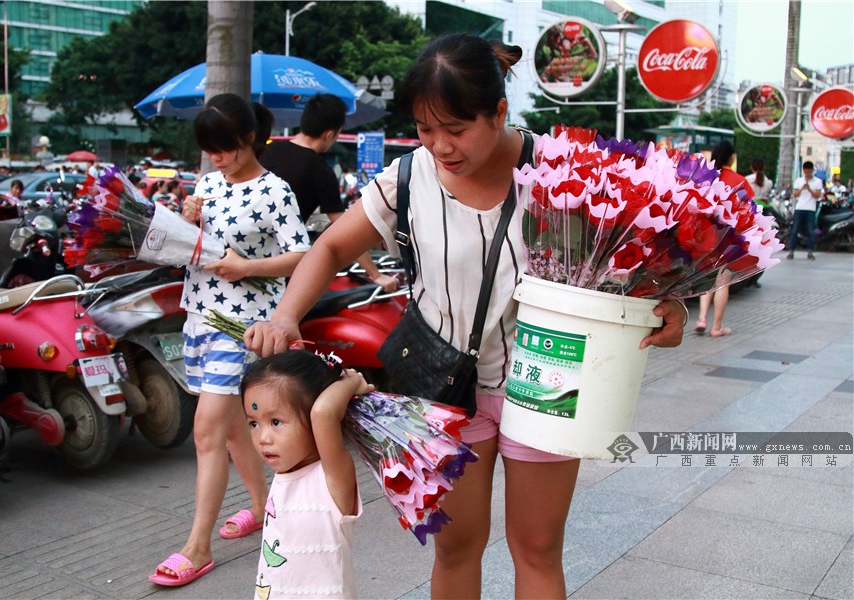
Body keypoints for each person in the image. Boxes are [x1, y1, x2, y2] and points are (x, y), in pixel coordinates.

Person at [244, 33, 686, 599]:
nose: (440, 146)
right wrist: (285, 316)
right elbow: (329, 247)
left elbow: (624, 253)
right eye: (426, 130)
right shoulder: (406, 179)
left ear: (499, 111)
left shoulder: (559, 172)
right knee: (457, 549)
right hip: (443, 389)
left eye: (456, 130)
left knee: (537, 550)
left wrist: (663, 300)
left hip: (548, 382)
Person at [149, 93, 311, 587]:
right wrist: (186, 219)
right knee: (236, 425)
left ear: (249, 139)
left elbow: (302, 255)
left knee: (208, 431)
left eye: (224, 148)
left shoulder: (274, 190)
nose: (216, 158)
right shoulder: (208, 184)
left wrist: (248, 268)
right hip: (199, 317)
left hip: (243, 328)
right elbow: (192, 249)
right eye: (209, 150)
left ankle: (197, 548)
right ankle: (264, 509)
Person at [242, 350, 371, 598]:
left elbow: (323, 413)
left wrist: (350, 380)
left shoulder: (332, 478)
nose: (263, 438)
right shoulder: (284, 477)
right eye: (253, 423)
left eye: (276, 422)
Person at [260, 94, 398, 293]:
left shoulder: (266, 151)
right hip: (280, 266)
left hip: (243, 251)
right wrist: (375, 274)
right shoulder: (320, 171)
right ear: (329, 134)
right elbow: (346, 230)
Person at [696, 140, 755, 338]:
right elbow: (750, 208)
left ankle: (702, 318)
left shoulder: (707, 178)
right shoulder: (739, 180)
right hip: (730, 235)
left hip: (707, 233)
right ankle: (717, 327)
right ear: (731, 157)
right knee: (723, 280)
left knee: (708, 277)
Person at [787, 160, 823, 261]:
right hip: (800, 208)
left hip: (811, 209)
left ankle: (810, 252)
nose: (807, 173)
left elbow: (817, 195)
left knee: (810, 231)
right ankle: (791, 251)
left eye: (809, 171)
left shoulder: (818, 181)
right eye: (806, 171)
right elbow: (795, 194)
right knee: (795, 230)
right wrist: (803, 188)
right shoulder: (799, 181)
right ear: (803, 170)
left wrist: (810, 189)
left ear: (812, 170)